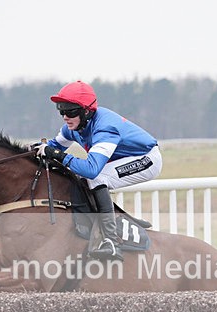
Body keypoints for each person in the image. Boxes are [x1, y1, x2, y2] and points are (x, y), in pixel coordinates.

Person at [36, 81, 162, 261]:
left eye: (70, 111)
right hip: (121, 159)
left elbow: (92, 169)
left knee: (96, 178)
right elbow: (53, 146)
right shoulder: (72, 127)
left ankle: (111, 241)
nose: (65, 116)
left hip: (147, 159)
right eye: (61, 110)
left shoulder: (105, 127)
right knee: (78, 175)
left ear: (86, 111)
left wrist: (56, 154)